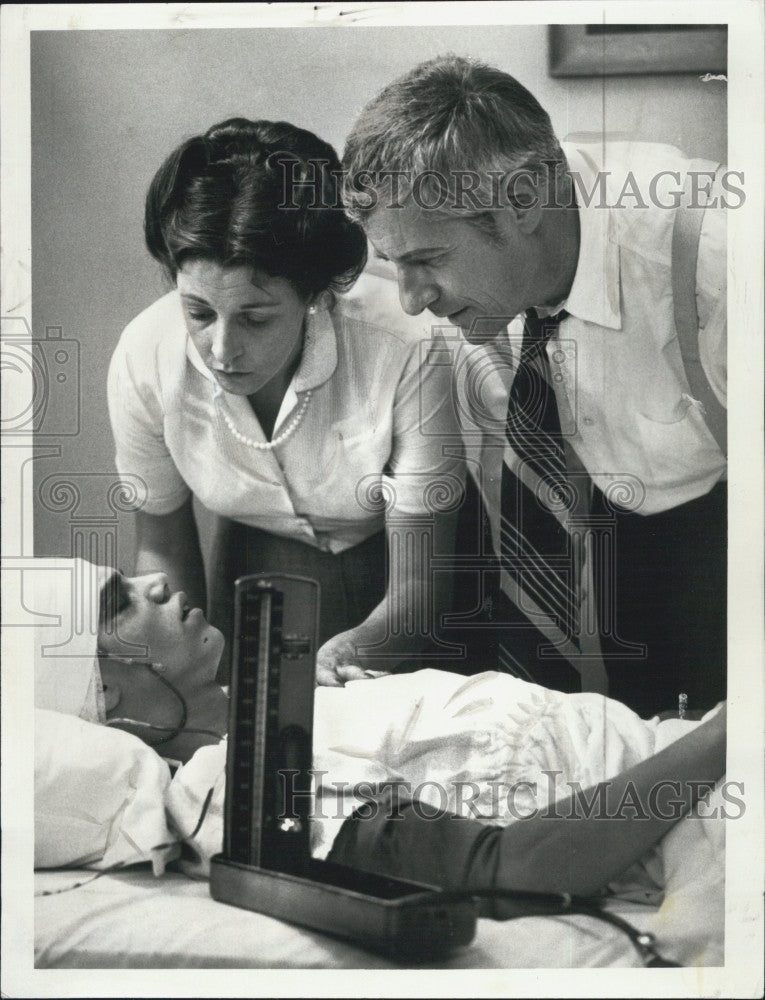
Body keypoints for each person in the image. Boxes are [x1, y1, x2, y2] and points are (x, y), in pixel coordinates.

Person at [340, 56, 728, 718]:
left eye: (427, 262)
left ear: (521, 201)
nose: (408, 300)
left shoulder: (719, 265)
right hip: (618, 564)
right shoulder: (502, 264)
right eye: (393, 264)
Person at [33, 558, 727, 915]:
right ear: (107, 694)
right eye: (118, 603)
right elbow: (508, 871)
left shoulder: (297, 697)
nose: (156, 582)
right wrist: (729, 737)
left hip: (693, 757)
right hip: (702, 831)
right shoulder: (236, 788)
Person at [107, 117, 464, 687]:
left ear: (317, 297)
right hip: (251, 564)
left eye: (254, 318)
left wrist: (345, 655)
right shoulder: (144, 356)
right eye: (198, 312)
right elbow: (162, 545)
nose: (221, 350)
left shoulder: (405, 345)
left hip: (403, 582)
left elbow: (420, 589)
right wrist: (179, 686)